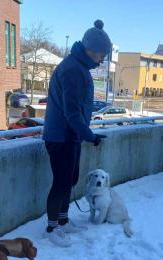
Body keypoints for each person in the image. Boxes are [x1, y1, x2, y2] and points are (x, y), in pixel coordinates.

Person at [43, 20, 110, 246]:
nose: (102, 60)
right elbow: (72, 113)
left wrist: (83, 134)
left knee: (69, 180)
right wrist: (90, 135)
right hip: (61, 135)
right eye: (102, 55)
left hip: (70, 135)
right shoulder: (72, 69)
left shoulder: (78, 67)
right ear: (92, 50)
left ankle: (63, 221)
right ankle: (52, 227)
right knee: (61, 182)